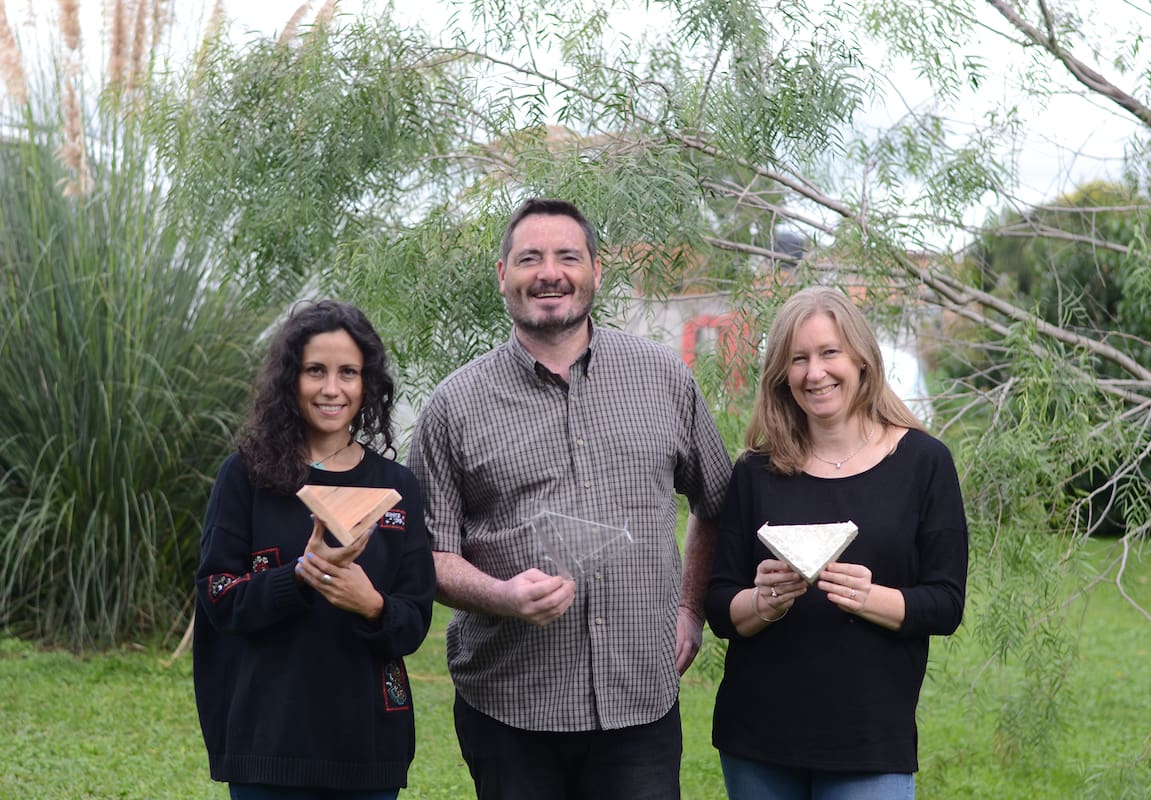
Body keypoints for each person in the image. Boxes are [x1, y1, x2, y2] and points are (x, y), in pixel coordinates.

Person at [407, 198, 732, 800]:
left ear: (596, 271)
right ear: (503, 274)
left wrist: (691, 609)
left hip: (640, 700)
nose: (549, 273)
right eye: (530, 258)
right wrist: (501, 596)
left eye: (567, 257)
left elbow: (716, 501)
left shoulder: (665, 379)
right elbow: (427, 555)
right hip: (510, 705)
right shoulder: (454, 405)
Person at [704, 286, 968, 800]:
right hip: (757, 737)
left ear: (862, 359)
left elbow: (946, 604)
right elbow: (719, 606)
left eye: (829, 353)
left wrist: (870, 598)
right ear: (782, 375)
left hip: (870, 740)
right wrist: (764, 602)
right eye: (797, 359)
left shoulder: (924, 462)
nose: (814, 372)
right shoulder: (756, 471)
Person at [193, 300, 436, 800]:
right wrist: (301, 577)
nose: (332, 388)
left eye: (348, 372)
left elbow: (413, 621)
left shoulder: (398, 487)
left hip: (369, 748)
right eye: (315, 371)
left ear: (367, 383)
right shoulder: (246, 477)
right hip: (268, 744)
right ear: (290, 380)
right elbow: (218, 598)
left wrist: (371, 604)